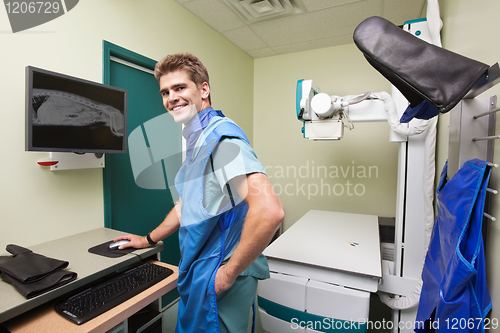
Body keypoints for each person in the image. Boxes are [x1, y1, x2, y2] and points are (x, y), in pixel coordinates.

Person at [114, 53, 284, 333]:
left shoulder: (220, 138)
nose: (172, 98)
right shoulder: (199, 140)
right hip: (200, 273)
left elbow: (269, 211)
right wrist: (147, 239)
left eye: (180, 88)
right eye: (165, 92)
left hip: (218, 277)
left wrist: (228, 274)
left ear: (203, 89)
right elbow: (186, 206)